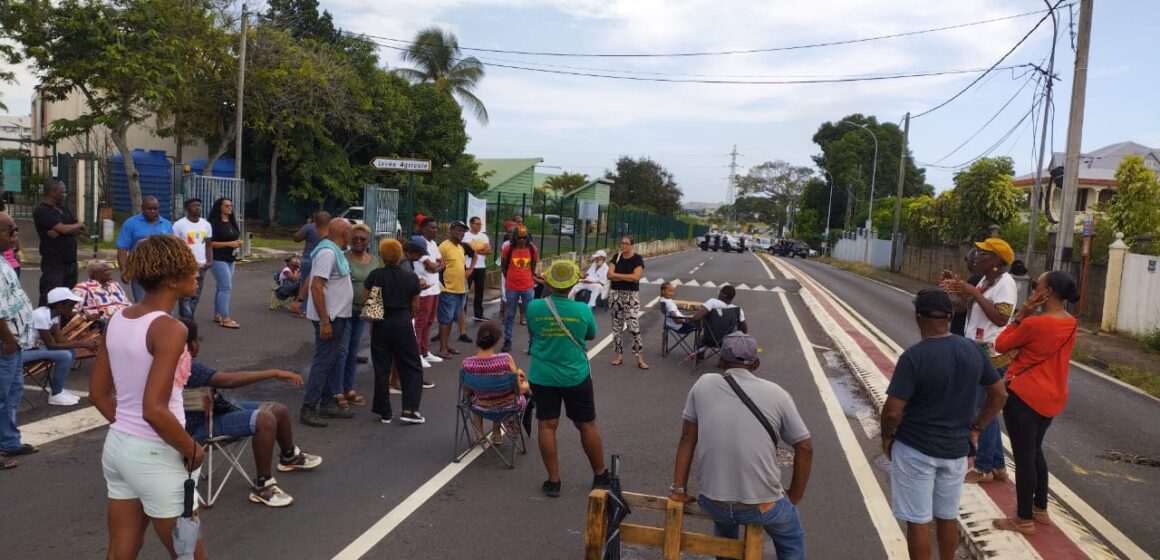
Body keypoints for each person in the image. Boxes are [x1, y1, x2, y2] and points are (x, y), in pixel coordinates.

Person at [87, 234, 207, 559]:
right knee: (189, 554)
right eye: (190, 267)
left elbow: (97, 394)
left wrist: (129, 432)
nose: (197, 272)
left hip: (118, 450)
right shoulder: (171, 328)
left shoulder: (117, 319)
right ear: (170, 278)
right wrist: (192, 448)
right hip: (159, 456)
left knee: (121, 549)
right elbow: (154, 409)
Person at [881, 288, 1006, 560]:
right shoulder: (972, 350)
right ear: (950, 317)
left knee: (918, 520)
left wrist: (887, 438)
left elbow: (892, 412)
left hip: (916, 449)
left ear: (917, 317)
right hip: (956, 451)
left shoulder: (914, 357)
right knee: (948, 516)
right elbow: (999, 395)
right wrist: (976, 428)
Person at [669, 333, 814, 560]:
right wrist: (794, 495)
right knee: (791, 539)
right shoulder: (777, 394)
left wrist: (678, 490)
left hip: (712, 501)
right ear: (756, 363)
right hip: (762, 506)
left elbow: (687, 439)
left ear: (721, 361)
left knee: (726, 527)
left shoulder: (703, 384)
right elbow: (804, 447)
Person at [177, 318, 322, 508]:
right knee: (265, 419)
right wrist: (274, 373)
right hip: (200, 427)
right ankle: (263, 485)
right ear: (193, 345)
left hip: (210, 412)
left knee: (278, 410)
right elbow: (228, 380)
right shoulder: (189, 366)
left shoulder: (165, 362)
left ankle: (289, 456)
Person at [991, 271, 1079, 535]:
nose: (1032, 289)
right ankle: (1040, 508)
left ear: (1048, 292)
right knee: (1035, 450)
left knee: (1024, 456)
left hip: (1026, 396)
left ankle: (1023, 518)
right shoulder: (1071, 322)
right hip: (1053, 396)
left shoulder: (1035, 324)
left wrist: (1021, 315)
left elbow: (1001, 343)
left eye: (1036, 285)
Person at [525, 260, 607, 497]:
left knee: (547, 425)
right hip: (575, 375)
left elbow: (533, 332)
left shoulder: (534, 307)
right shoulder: (582, 309)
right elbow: (590, 334)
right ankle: (600, 475)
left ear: (549, 280)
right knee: (587, 424)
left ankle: (554, 481)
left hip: (543, 375)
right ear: (573, 282)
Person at [940, 237, 1016, 485]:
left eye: (983, 253)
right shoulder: (986, 281)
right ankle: (997, 466)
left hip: (990, 353)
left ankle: (983, 466)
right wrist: (956, 290)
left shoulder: (1005, 284)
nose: (976, 256)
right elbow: (964, 310)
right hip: (976, 348)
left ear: (995, 260)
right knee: (985, 409)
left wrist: (973, 292)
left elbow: (1000, 319)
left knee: (984, 410)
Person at [363, 238, 426, 424]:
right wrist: (407, 316)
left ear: (382, 256)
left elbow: (366, 298)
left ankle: (385, 412)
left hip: (381, 325)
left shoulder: (376, 275)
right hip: (403, 323)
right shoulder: (411, 277)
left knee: (382, 367)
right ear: (400, 255)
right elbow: (416, 304)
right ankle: (409, 409)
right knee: (411, 366)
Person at [300, 219, 355, 428]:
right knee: (323, 362)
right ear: (343, 233)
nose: (351, 236)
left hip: (336, 316)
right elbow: (316, 286)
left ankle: (327, 402)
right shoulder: (328, 253)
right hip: (329, 317)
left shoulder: (333, 251)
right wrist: (324, 321)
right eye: (350, 232)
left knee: (330, 361)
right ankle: (309, 406)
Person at [0, 211, 38, 467]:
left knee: (11, 395)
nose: (16, 235)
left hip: (15, 342)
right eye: (10, 230)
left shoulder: (4, 260)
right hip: (6, 343)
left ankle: (9, 442)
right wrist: (8, 340)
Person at [22, 287, 99, 406]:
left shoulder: (54, 315)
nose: (73, 308)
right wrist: (83, 344)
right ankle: (56, 394)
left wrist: (83, 344)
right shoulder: (41, 315)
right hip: (21, 352)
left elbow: (59, 339)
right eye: (70, 305)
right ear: (59, 305)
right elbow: (52, 345)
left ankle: (59, 389)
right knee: (64, 355)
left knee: (70, 351)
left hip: (33, 348)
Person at [334, 224, 381, 408]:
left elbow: (378, 287)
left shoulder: (375, 261)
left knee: (353, 352)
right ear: (350, 240)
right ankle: (337, 390)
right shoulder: (343, 258)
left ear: (369, 241)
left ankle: (349, 388)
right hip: (344, 310)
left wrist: (374, 314)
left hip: (363, 312)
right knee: (342, 351)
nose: (359, 242)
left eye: (362, 239)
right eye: (355, 239)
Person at [462, 321, 530, 443]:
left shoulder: (467, 363)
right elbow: (518, 390)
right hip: (507, 407)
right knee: (503, 391)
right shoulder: (505, 359)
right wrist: (526, 385)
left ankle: (479, 434)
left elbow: (467, 390)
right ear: (497, 340)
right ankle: (496, 433)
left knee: (478, 395)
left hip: (480, 407)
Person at [33, 179, 85, 306]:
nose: (65, 195)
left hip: (71, 263)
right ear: (53, 192)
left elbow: (82, 229)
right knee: (51, 299)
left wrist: (64, 229)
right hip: (54, 264)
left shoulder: (64, 210)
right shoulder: (42, 210)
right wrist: (67, 228)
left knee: (68, 301)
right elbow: (65, 228)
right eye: (63, 192)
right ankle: (47, 325)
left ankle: (64, 325)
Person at [116, 196, 173, 302]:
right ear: (142, 208)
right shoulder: (130, 223)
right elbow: (122, 249)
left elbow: (172, 249)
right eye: (149, 208)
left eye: (155, 209)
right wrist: (124, 270)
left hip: (162, 272)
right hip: (139, 271)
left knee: (163, 304)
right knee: (143, 304)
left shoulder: (166, 224)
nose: (152, 211)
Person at [607, 236, 649, 370]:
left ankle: (640, 358)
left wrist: (617, 275)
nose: (623, 246)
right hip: (615, 295)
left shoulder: (637, 259)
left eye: (626, 243)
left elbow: (636, 277)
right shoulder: (616, 257)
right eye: (622, 243)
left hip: (631, 297)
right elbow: (609, 275)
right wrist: (627, 277)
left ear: (632, 245)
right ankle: (618, 355)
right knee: (616, 327)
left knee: (633, 327)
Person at [500, 226, 541, 353]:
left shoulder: (532, 249)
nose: (522, 240)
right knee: (510, 315)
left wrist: (528, 277)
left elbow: (533, 266)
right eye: (519, 238)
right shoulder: (508, 249)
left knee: (530, 316)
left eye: (524, 238)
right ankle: (507, 340)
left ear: (528, 238)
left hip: (527, 287)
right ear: (515, 238)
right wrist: (510, 278)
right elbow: (503, 266)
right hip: (512, 287)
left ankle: (532, 343)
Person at [172, 198, 213, 320]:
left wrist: (209, 260)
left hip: (201, 265)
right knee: (185, 295)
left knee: (195, 295)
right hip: (185, 265)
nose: (197, 207)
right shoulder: (179, 225)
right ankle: (187, 323)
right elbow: (173, 246)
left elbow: (209, 244)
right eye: (193, 205)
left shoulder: (206, 224)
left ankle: (188, 320)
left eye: (199, 205)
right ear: (187, 208)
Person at [436, 221, 469, 358]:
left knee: (451, 319)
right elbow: (437, 267)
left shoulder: (460, 247)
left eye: (463, 231)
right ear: (451, 230)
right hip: (448, 289)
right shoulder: (443, 247)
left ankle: (447, 345)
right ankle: (442, 348)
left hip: (460, 289)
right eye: (458, 230)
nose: (461, 233)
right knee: (445, 319)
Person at [207, 198, 242, 329]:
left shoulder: (231, 222)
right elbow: (210, 243)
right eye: (227, 205)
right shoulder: (213, 223)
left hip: (231, 258)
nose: (230, 208)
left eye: (231, 206)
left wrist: (237, 244)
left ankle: (217, 314)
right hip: (218, 259)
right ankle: (225, 318)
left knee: (221, 287)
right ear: (219, 207)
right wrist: (229, 244)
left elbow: (234, 236)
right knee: (226, 287)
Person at [414, 218, 443, 365]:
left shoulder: (434, 244)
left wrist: (435, 266)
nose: (435, 230)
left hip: (434, 288)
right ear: (424, 228)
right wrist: (435, 266)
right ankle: (417, 353)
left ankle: (425, 351)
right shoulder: (420, 243)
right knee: (420, 322)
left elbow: (441, 263)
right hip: (424, 291)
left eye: (436, 228)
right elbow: (431, 266)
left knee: (430, 321)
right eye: (432, 228)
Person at [290, 212, 330, 317]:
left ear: (314, 220)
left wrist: (306, 226)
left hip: (308, 258)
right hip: (325, 258)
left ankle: (302, 309)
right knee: (321, 285)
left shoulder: (309, 227)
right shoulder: (332, 229)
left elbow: (296, 238)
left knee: (305, 284)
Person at [462, 216, 491, 322]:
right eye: (477, 224)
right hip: (468, 266)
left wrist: (474, 251)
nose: (479, 226)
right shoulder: (465, 236)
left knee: (480, 291)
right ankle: (461, 314)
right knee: (465, 290)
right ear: (471, 224)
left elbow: (488, 250)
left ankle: (478, 314)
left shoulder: (483, 236)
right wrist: (479, 249)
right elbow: (467, 250)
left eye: (480, 224)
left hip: (481, 267)